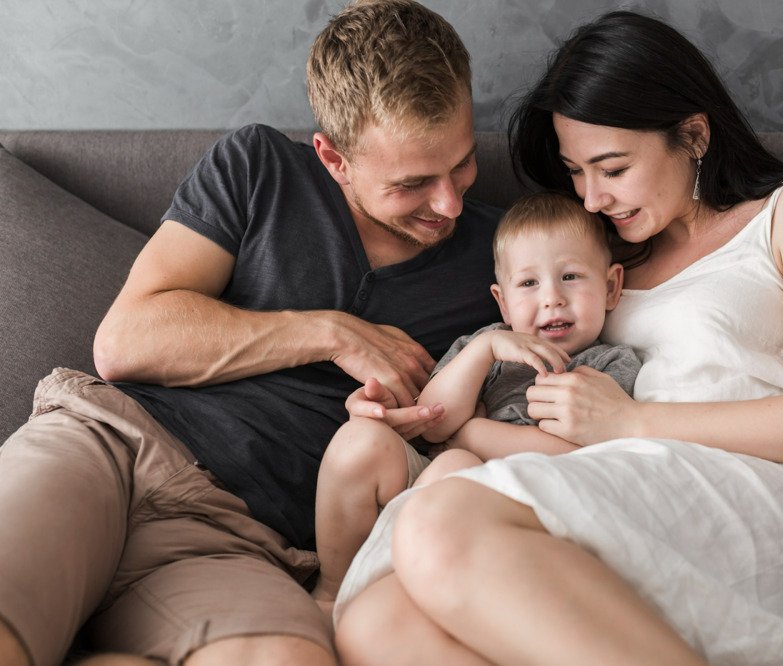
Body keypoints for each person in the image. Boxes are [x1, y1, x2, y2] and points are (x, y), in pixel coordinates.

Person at [331, 10, 783, 666]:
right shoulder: (599, 260)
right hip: (613, 480)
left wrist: (633, 420)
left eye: (611, 168)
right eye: (576, 172)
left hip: (752, 485)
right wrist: (420, 413)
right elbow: (509, 370)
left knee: (437, 526)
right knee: (376, 623)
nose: (590, 199)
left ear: (693, 135)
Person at [0, 1, 502, 665]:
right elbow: (126, 342)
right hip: (108, 447)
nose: (450, 204)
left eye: (462, 164)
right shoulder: (260, 166)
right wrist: (333, 333)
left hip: (237, 541)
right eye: (413, 184)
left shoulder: (504, 257)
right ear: (333, 158)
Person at [312, 191, 641, 604]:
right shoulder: (483, 346)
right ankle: (332, 588)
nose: (551, 297)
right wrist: (483, 352)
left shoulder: (608, 365)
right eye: (528, 283)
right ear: (502, 301)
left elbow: (585, 457)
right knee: (360, 439)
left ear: (611, 287)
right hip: (427, 482)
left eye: (571, 276)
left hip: (509, 510)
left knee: (456, 462)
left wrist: (474, 435)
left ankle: (394, 594)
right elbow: (432, 422)